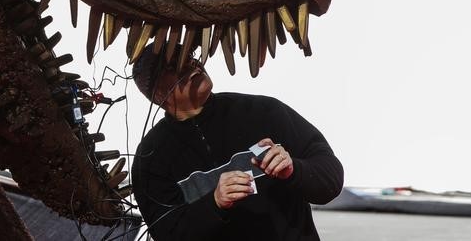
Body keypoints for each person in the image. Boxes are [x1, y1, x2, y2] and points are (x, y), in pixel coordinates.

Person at [131, 43, 344, 240]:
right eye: (173, 65)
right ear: (157, 93)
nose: (191, 64)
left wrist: (294, 170)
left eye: (189, 56)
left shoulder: (263, 112)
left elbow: (331, 177)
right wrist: (214, 204)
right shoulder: (151, 157)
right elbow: (166, 232)